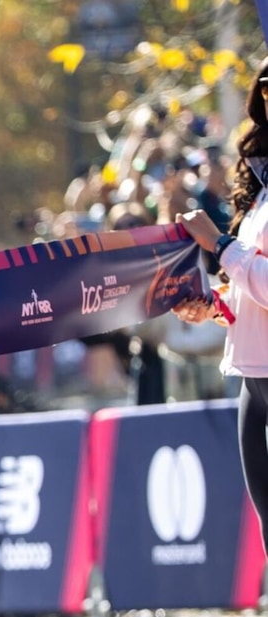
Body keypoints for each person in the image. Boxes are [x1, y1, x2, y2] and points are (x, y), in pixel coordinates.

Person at [171, 56, 268, 557]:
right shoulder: (259, 183)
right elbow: (254, 289)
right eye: (266, 88)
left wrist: (220, 244)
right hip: (255, 379)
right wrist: (215, 303)